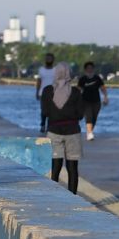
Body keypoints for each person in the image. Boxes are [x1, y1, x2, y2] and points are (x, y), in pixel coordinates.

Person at [40, 63, 85, 194]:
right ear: (69, 74)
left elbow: (45, 111)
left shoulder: (47, 91)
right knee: (72, 168)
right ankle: (72, 196)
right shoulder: (76, 92)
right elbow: (81, 114)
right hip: (72, 131)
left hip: (54, 130)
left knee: (55, 167)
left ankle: (53, 195)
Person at [77, 61, 108, 140]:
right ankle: (90, 133)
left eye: (91, 68)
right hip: (85, 101)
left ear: (93, 69)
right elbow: (78, 90)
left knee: (94, 117)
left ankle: (89, 132)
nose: (89, 70)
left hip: (96, 101)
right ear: (85, 69)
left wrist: (105, 97)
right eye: (88, 68)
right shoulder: (82, 79)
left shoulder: (97, 78)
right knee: (89, 116)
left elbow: (102, 88)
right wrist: (76, 100)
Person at [36, 53, 56, 133]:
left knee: (52, 111)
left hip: (54, 92)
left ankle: (50, 126)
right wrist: (37, 92)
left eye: (50, 58)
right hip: (43, 93)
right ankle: (43, 125)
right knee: (43, 110)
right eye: (47, 58)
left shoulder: (56, 70)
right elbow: (39, 81)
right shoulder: (41, 69)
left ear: (53, 60)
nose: (48, 60)